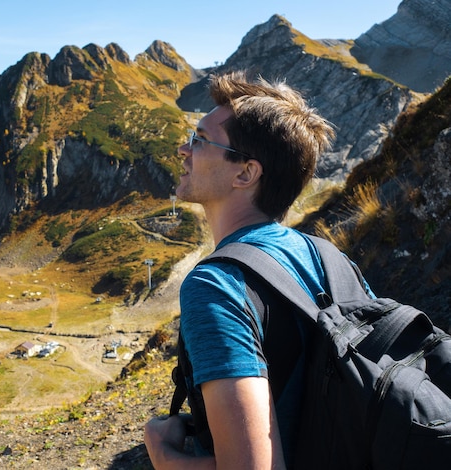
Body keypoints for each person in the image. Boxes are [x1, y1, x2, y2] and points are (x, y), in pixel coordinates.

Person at [144, 71, 366, 469]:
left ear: (245, 173)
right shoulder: (330, 258)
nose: (183, 149)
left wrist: (163, 454)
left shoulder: (217, 285)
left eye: (199, 139)